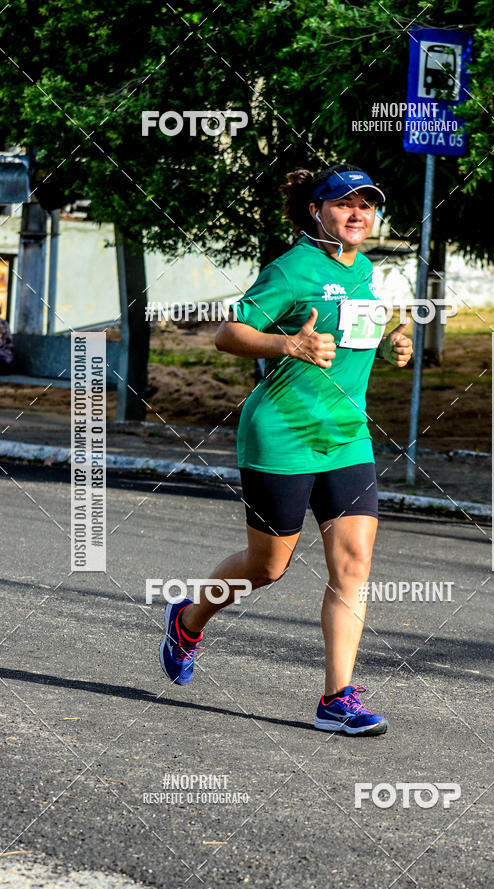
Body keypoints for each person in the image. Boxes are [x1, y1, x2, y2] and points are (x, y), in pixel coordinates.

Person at [159, 164, 413, 736]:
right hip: (282, 433)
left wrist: (400, 341)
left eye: (366, 205)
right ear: (315, 211)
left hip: (346, 436)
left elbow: (358, 336)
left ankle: (336, 698)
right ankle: (189, 618)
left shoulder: (368, 270)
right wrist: (286, 343)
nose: (357, 214)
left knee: (353, 565)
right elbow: (229, 333)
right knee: (268, 566)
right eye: (344, 204)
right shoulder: (291, 269)